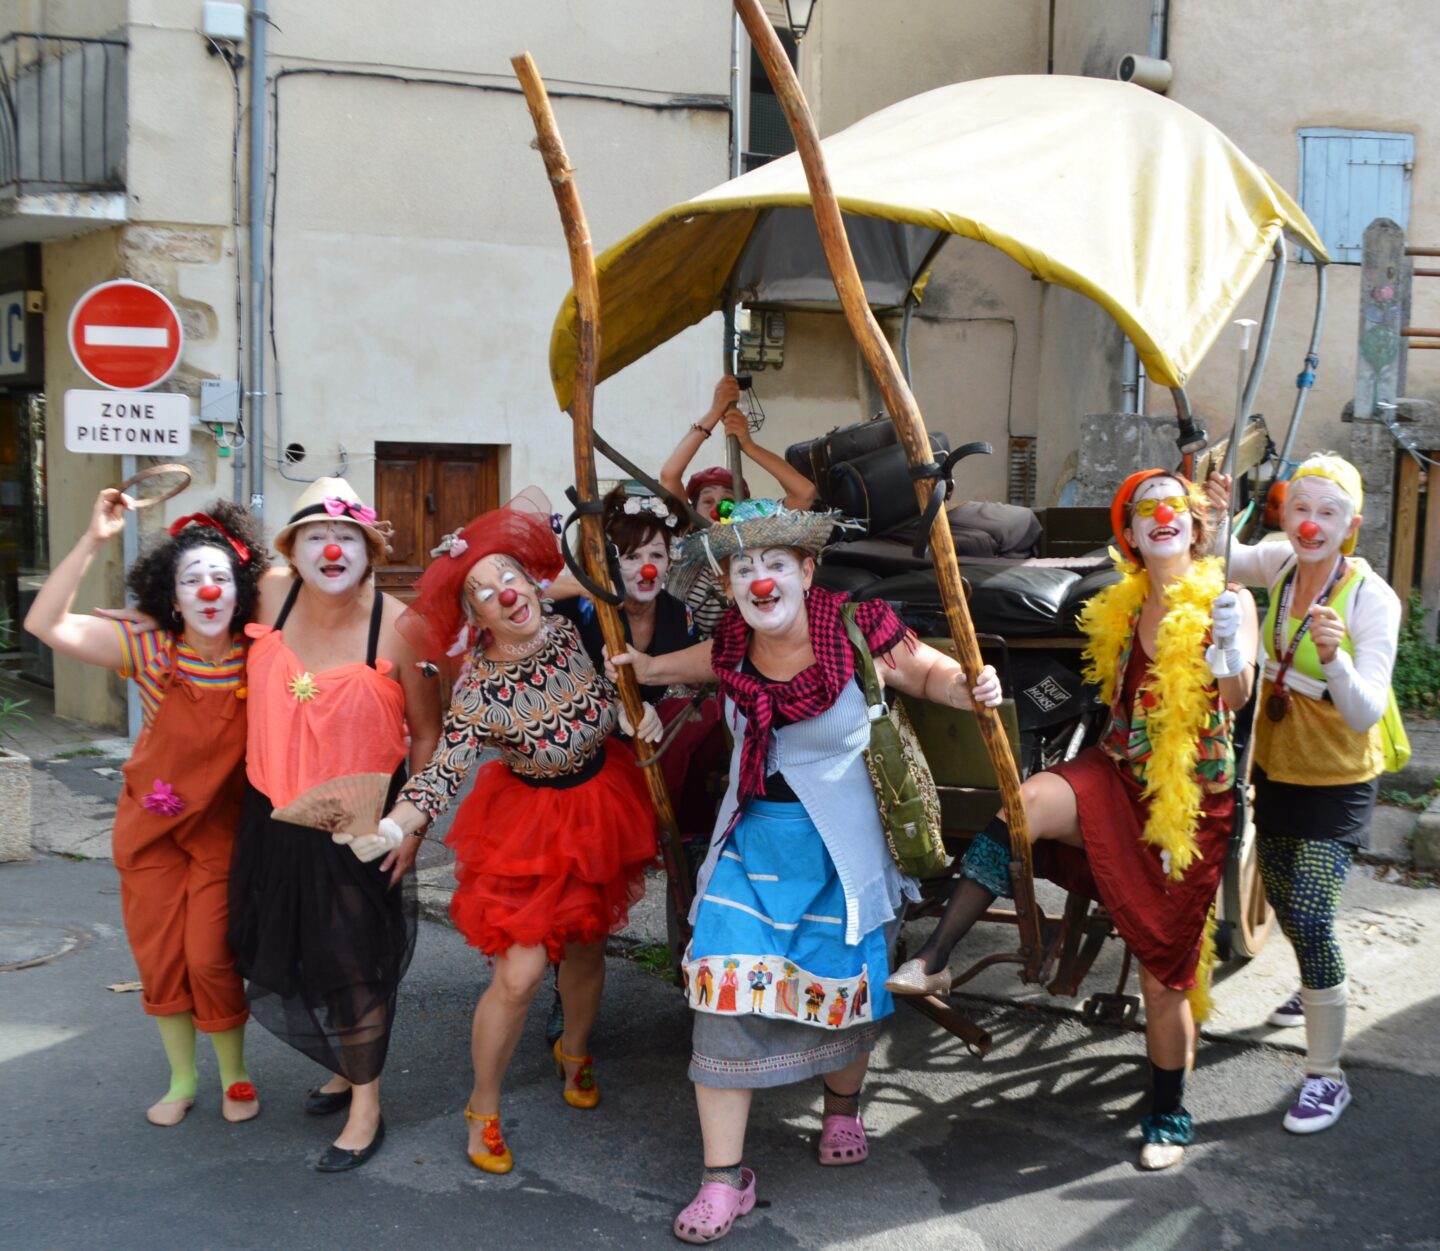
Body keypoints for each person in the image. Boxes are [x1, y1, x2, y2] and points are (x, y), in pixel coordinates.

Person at [610, 498, 1002, 1245]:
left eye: (776, 564)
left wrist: (970, 686)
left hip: (845, 852)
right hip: (752, 843)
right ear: (729, 586)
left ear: (807, 569)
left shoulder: (855, 627)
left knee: (845, 986)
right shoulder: (731, 641)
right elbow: (696, 666)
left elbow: (931, 674)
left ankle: (842, 1107)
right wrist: (649, 668)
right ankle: (724, 1178)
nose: (761, 581)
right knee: (720, 990)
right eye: (746, 569)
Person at [885, 469, 1258, 1172]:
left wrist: (1231, 648)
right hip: (1115, 774)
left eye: (1174, 506)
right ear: (1130, 533)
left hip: (1191, 805)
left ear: (1197, 523)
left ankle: (1168, 1109)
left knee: (1162, 973)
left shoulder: (1229, 597)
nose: (1162, 516)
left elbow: (1235, 698)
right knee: (1024, 802)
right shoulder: (1122, 602)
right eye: (1146, 509)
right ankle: (934, 959)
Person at [378, 489, 660, 1176]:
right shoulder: (479, 686)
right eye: (483, 591)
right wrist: (397, 821)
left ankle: (575, 1051)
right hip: (530, 825)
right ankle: (484, 1104)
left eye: (508, 575)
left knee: (589, 945)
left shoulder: (570, 629)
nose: (504, 593)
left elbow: (607, 694)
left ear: (530, 579)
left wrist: (635, 718)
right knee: (522, 971)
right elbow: (444, 769)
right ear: (473, 616)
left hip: (599, 802)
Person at [25, 489, 268, 1127]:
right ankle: (182, 1078)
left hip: (220, 830)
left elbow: (298, 582)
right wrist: (94, 538)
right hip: (150, 832)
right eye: (192, 579)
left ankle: (235, 1076)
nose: (209, 589)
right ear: (171, 594)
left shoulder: (262, 656)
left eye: (222, 576)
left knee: (211, 956)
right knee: (161, 958)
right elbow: (44, 625)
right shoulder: (151, 651)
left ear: (242, 589)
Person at [226, 477, 441, 1172]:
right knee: (290, 952)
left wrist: (412, 826)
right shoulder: (266, 597)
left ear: (370, 550)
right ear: (290, 550)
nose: (332, 546)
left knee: (354, 967)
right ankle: (346, 1068)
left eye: (347, 536)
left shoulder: (401, 627)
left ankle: (366, 1105)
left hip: (360, 826)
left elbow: (429, 737)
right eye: (315, 534)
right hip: (272, 815)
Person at [1207, 454, 1400, 1134]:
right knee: (1286, 896)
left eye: (1327, 513)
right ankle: (1316, 983)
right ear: (1283, 511)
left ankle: (1326, 1076)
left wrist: (1338, 655)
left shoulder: (1372, 598)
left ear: (1353, 523)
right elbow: (1218, 555)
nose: (1311, 524)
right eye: (1300, 509)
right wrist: (1213, 507)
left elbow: (1365, 710)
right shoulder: (1280, 564)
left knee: (1311, 910)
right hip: (1275, 765)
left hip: (1340, 777)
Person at [551, 484, 726, 868]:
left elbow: (695, 679)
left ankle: (687, 834)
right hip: (586, 738)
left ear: (669, 561)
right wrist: (591, 586)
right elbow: (524, 589)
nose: (647, 568)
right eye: (631, 557)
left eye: (656, 555)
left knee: (704, 717)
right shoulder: (580, 605)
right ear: (612, 563)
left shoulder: (679, 614)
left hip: (651, 737)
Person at [660, 376, 819, 637]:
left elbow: (804, 493)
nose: (717, 508)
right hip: (678, 652)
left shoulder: (755, 540)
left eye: (728, 502)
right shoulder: (686, 534)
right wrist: (714, 413)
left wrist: (748, 445)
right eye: (708, 500)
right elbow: (669, 476)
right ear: (693, 507)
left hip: (735, 655)